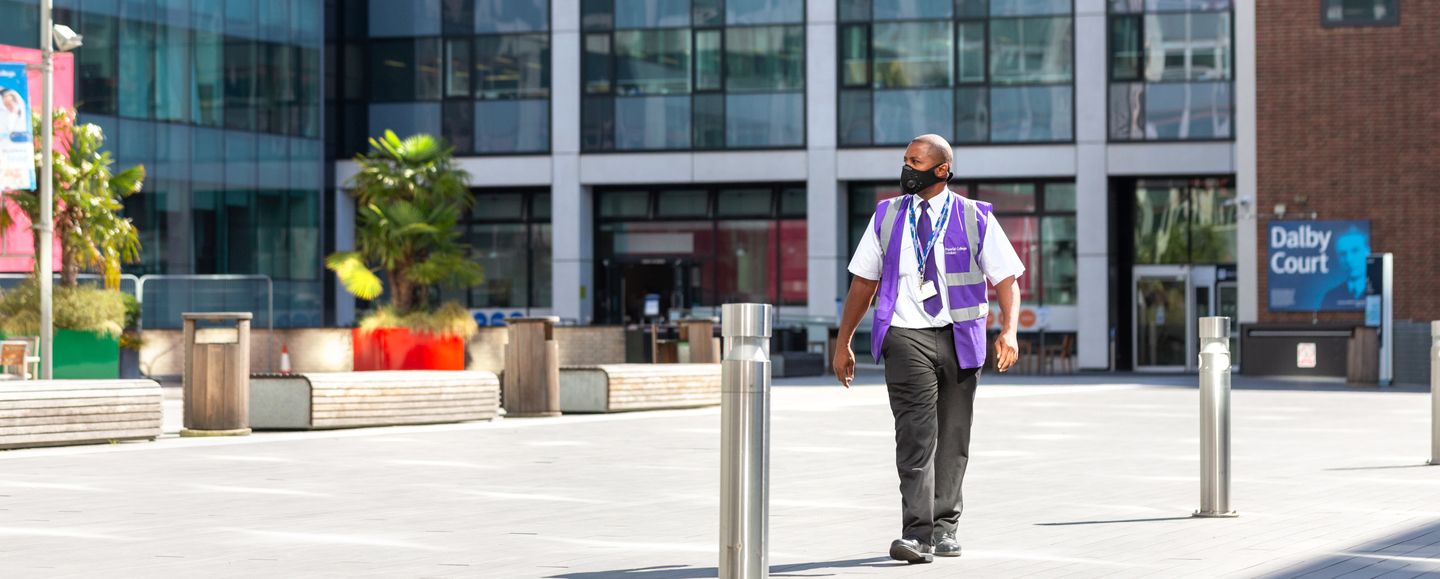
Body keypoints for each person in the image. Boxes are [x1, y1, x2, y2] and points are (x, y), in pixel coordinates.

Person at [833, 134, 1024, 564]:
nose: (906, 168)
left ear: (941, 169)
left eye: (915, 161)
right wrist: (843, 341)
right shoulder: (886, 215)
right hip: (905, 336)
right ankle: (915, 533)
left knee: (953, 436)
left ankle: (945, 526)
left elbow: (1007, 279)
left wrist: (1008, 332)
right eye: (905, 159)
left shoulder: (975, 217)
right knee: (916, 436)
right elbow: (863, 282)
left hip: (960, 337)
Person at [1319, 226, 1370, 310]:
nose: (1349, 259)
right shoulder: (1330, 297)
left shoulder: (1380, 291)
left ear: (1368, 251)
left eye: (1355, 251)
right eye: (1343, 254)